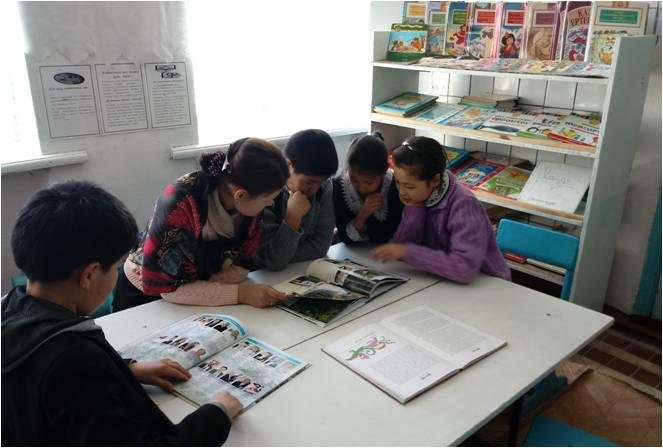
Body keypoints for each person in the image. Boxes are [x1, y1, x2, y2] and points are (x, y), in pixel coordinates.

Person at [2, 180, 242, 445]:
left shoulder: (11, 308)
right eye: (117, 267)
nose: (117, 275)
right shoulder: (74, 361)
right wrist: (217, 414)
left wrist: (128, 369)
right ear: (90, 274)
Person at [114, 137, 291, 311]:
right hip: (147, 298)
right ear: (241, 195)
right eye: (267, 199)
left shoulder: (249, 207)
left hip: (202, 291)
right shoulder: (181, 202)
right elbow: (170, 289)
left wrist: (218, 290)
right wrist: (241, 294)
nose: (270, 204)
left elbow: (242, 265)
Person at [372, 137, 510, 284]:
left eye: (409, 186)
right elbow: (403, 247)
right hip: (443, 279)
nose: (402, 192)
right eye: (398, 183)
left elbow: (464, 268)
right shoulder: (418, 197)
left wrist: (407, 252)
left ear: (435, 181)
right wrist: (415, 208)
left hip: (488, 284)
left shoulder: (464, 204)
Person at [258, 129, 338, 270]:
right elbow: (273, 260)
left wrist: (284, 255)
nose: (315, 189)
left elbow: (320, 247)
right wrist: (293, 217)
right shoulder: (267, 193)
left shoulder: (324, 187)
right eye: (309, 182)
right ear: (288, 166)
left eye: (321, 182)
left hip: (298, 270)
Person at [332, 132, 403, 244]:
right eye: (354, 180)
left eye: (368, 183)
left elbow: (388, 233)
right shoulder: (339, 188)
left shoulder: (394, 186)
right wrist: (363, 214)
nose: (361, 187)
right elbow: (344, 237)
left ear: (384, 173)